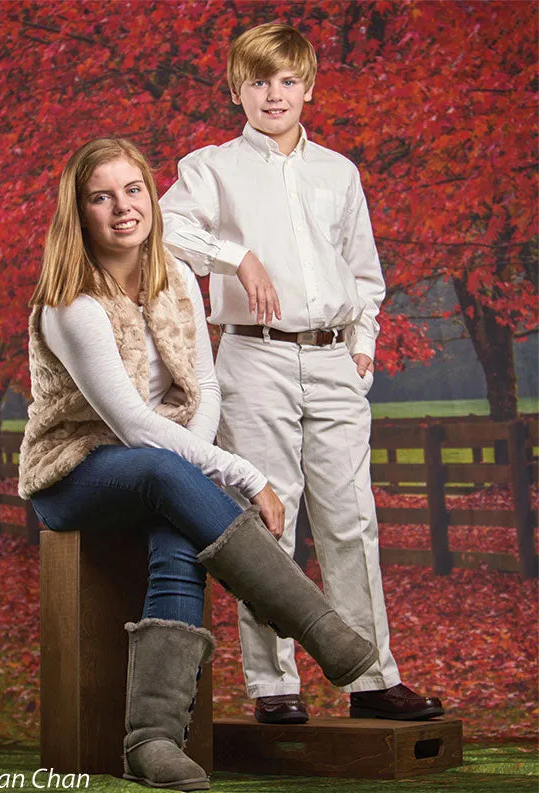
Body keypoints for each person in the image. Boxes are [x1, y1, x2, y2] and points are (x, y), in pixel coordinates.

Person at [18, 137, 379, 791]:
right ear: (80, 212)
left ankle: (153, 741)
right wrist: (240, 473)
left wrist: (202, 469)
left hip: (168, 465)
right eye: (101, 197)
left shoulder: (177, 277)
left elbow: (203, 390)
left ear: (151, 199)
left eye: (133, 190)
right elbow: (130, 426)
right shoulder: (72, 305)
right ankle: (314, 621)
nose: (122, 208)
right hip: (76, 469)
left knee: (177, 531)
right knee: (163, 475)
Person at [160, 23, 444, 724]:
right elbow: (164, 228)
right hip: (253, 357)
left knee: (353, 522)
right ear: (237, 91)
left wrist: (363, 345)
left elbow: (364, 272)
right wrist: (237, 257)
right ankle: (273, 686)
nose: (274, 94)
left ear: (309, 87)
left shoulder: (338, 173)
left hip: (333, 358)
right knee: (267, 521)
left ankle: (373, 680)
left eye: (287, 80)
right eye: (258, 81)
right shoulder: (211, 167)